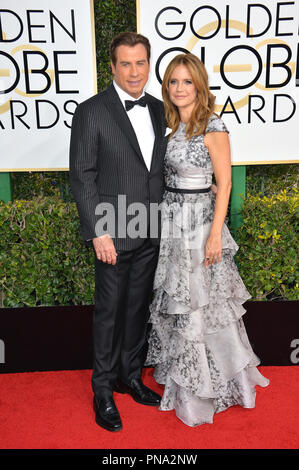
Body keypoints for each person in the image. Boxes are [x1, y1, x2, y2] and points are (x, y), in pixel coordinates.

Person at [145, 53, 269, 427]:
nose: (180, 88)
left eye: (187, 81)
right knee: (180, 300)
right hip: (172, 220)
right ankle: (187, 374)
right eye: (173, 82)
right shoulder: (171, 126)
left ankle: (205, 389)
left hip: (199, 224)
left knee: (201, 304)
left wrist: (215, 234)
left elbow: (225, 182)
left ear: (199, 85)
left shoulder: (213, 125)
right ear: (167, 87)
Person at [69, 32, 167, 432]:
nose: (133, 72)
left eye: (140, 63)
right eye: (125, 64)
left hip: (150, 228)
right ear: (111, 67)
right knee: (109, 313)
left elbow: (163, 164)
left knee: (137, 309)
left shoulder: (160, 108)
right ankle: (103, 391)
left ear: (149, 64)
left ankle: (131, 378)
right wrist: (98, 231)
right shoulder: (91, 111)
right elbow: (82, 175)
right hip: (113, 229)